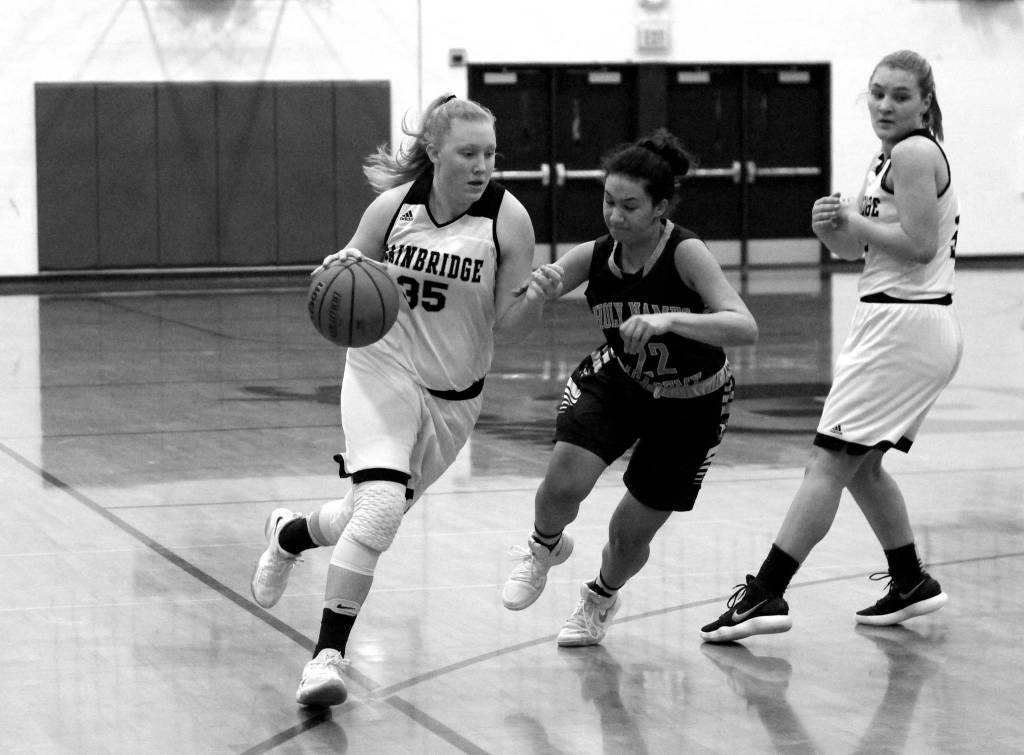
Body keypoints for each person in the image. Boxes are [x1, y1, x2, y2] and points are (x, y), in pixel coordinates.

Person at [249, 93, 560, 706]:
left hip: (454, 397)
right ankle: (325, 660)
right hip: (380, 370)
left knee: (363, 514)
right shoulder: (394, 207)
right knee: (381, 509)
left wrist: (537, 301)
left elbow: (507, 327)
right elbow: (344, 275)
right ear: (435, 154)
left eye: (490, 154)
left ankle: (288, 536)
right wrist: (336, 269)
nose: (481, 166)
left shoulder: (508, 219)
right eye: (468, 153)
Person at [700, 49, 962, 643]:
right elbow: (868, 252)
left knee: (829, 461)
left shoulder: (916, 152)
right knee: (862, 465)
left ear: (925, 101)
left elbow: (920, 245)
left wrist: (853, 219)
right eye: (876, 93)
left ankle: (766, 592)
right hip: (899, 321)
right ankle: (909, 580)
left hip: (905, 325)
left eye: (899, 95)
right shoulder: (886, 158)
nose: (885, 104)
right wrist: (834, 232)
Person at [500, 128, 759, 646]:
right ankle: (543, 546)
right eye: (608, 202)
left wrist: (670, 321)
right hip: (622, 380)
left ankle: (599, 598)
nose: (615, 216)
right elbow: (514, 325)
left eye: (630, 206)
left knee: (627, 533)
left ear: (661, 207)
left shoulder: (686, 253)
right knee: (561, 485)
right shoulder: (595, 255)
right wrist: (537, 293)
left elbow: (744, 326)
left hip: (694, 399)